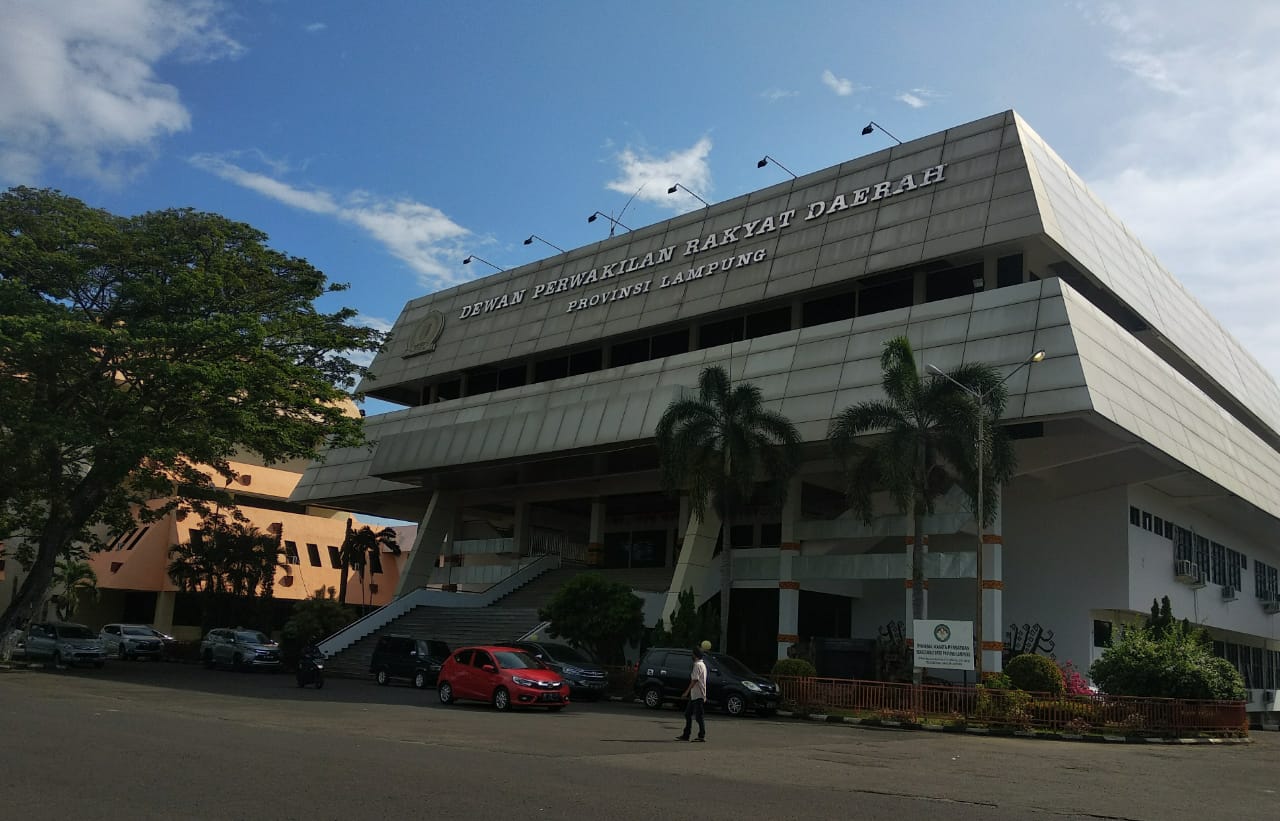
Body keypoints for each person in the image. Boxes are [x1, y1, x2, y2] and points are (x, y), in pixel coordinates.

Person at [676, 647, 708, 742]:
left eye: (693, 654)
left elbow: (694, 680)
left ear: (695, 655)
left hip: (698, 694)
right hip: (695, 694)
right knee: (688, 714)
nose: (691, 656)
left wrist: (686, 692)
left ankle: (701, 735)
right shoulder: (702, 664)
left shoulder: (697, 665)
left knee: (699, 716)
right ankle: (686, 734)